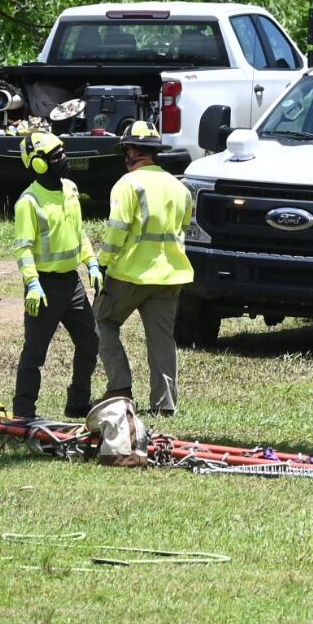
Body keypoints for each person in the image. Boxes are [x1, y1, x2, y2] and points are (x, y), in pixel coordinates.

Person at [94, 120, 193, 414]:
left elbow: (116, 231)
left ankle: (120, 388)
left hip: (130, 274)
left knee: (100, 323)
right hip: (170, 275)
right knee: (162, 338)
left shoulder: (128, 184)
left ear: (133, 151)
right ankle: (165, 405)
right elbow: (183, 227)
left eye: (126, 150)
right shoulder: (179, 187)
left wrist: (102, 265)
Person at [12, 131, 101, 419]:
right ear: (38, 164)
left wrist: (91, 263)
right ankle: (24, 411)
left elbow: (79, 233)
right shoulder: (29, 202)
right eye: (56, 156)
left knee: (90, 342)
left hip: (72, 284)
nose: (64, 158)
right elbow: (23, 249)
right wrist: (32, 283)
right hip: (44, 287)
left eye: (63, 152)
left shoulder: (71, 189)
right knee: (35, 353)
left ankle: (78, 403)